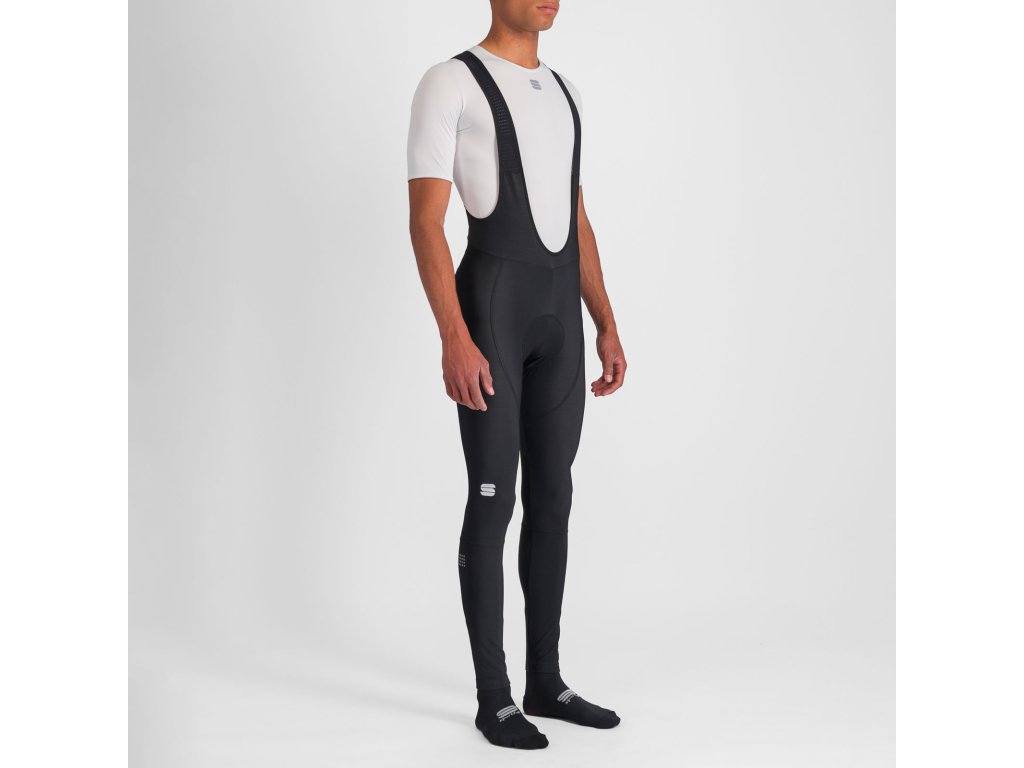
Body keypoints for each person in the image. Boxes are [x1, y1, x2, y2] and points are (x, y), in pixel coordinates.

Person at [407, 0, 626, 750]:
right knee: (493, 498)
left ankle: (546, 681)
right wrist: (454, 337)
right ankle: (495, 699)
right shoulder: (450, 82)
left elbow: (577, 216)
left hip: (561, 319)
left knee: (554, 496)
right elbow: (425, 220)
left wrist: (605, 320)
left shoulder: (564, 92)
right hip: (492, 315)